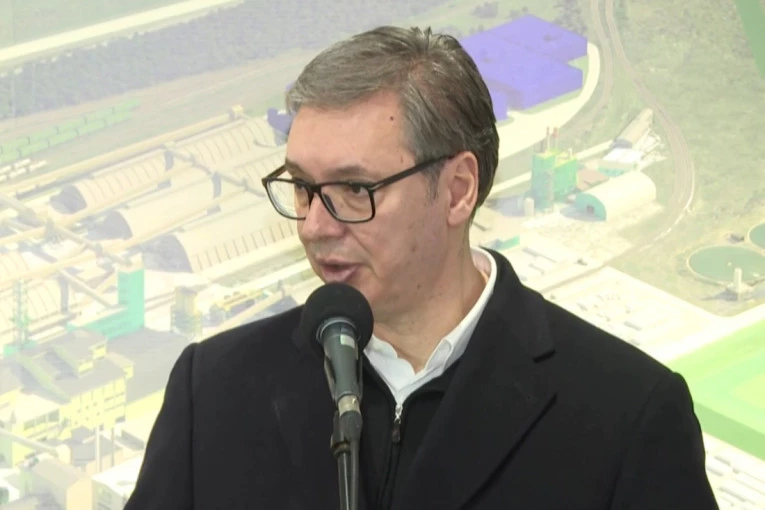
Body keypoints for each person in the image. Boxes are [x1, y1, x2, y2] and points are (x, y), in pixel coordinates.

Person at [125, 25, 719, 510]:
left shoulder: (627, 414)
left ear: (458, 190)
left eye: (355, 190)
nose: (314, 226)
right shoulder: (214, 389)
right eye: (303, 187)